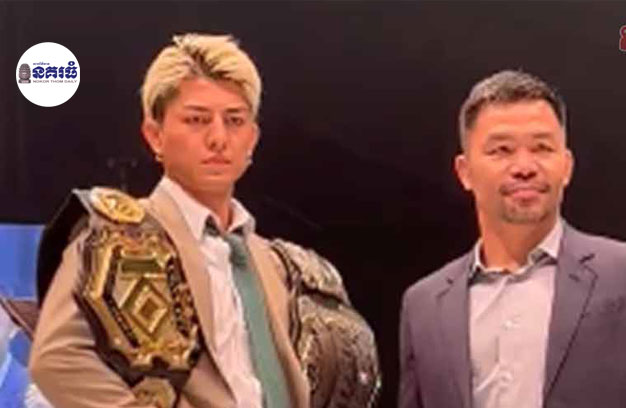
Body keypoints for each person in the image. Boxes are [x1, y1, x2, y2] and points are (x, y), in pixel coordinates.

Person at [29, 33, 380, 408]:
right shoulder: (114, 237)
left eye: (234, 121)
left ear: (252, 139)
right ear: (154, 135)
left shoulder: (280, 264)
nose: (218, 138)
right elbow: (58, 360)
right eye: (196, 120)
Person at [398, 69, 626, 408]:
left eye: (542, 148)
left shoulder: (620, 274)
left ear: (566, 166)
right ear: (465, 172)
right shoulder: (423, 305)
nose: (524, 166)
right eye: (501, 150)